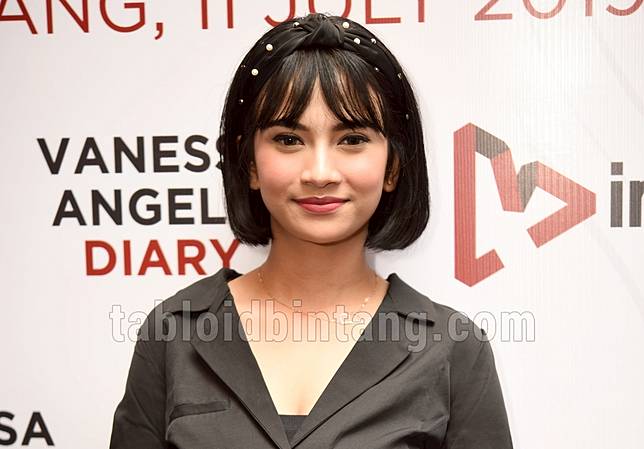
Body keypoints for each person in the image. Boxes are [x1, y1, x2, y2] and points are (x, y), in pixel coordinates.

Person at [109, 12, 513, 449]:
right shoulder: (172, 333)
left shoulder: (453, 349)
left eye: (352, 139)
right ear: (249, 163)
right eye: (288, 139)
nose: (320, 172)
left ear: (393, 166)